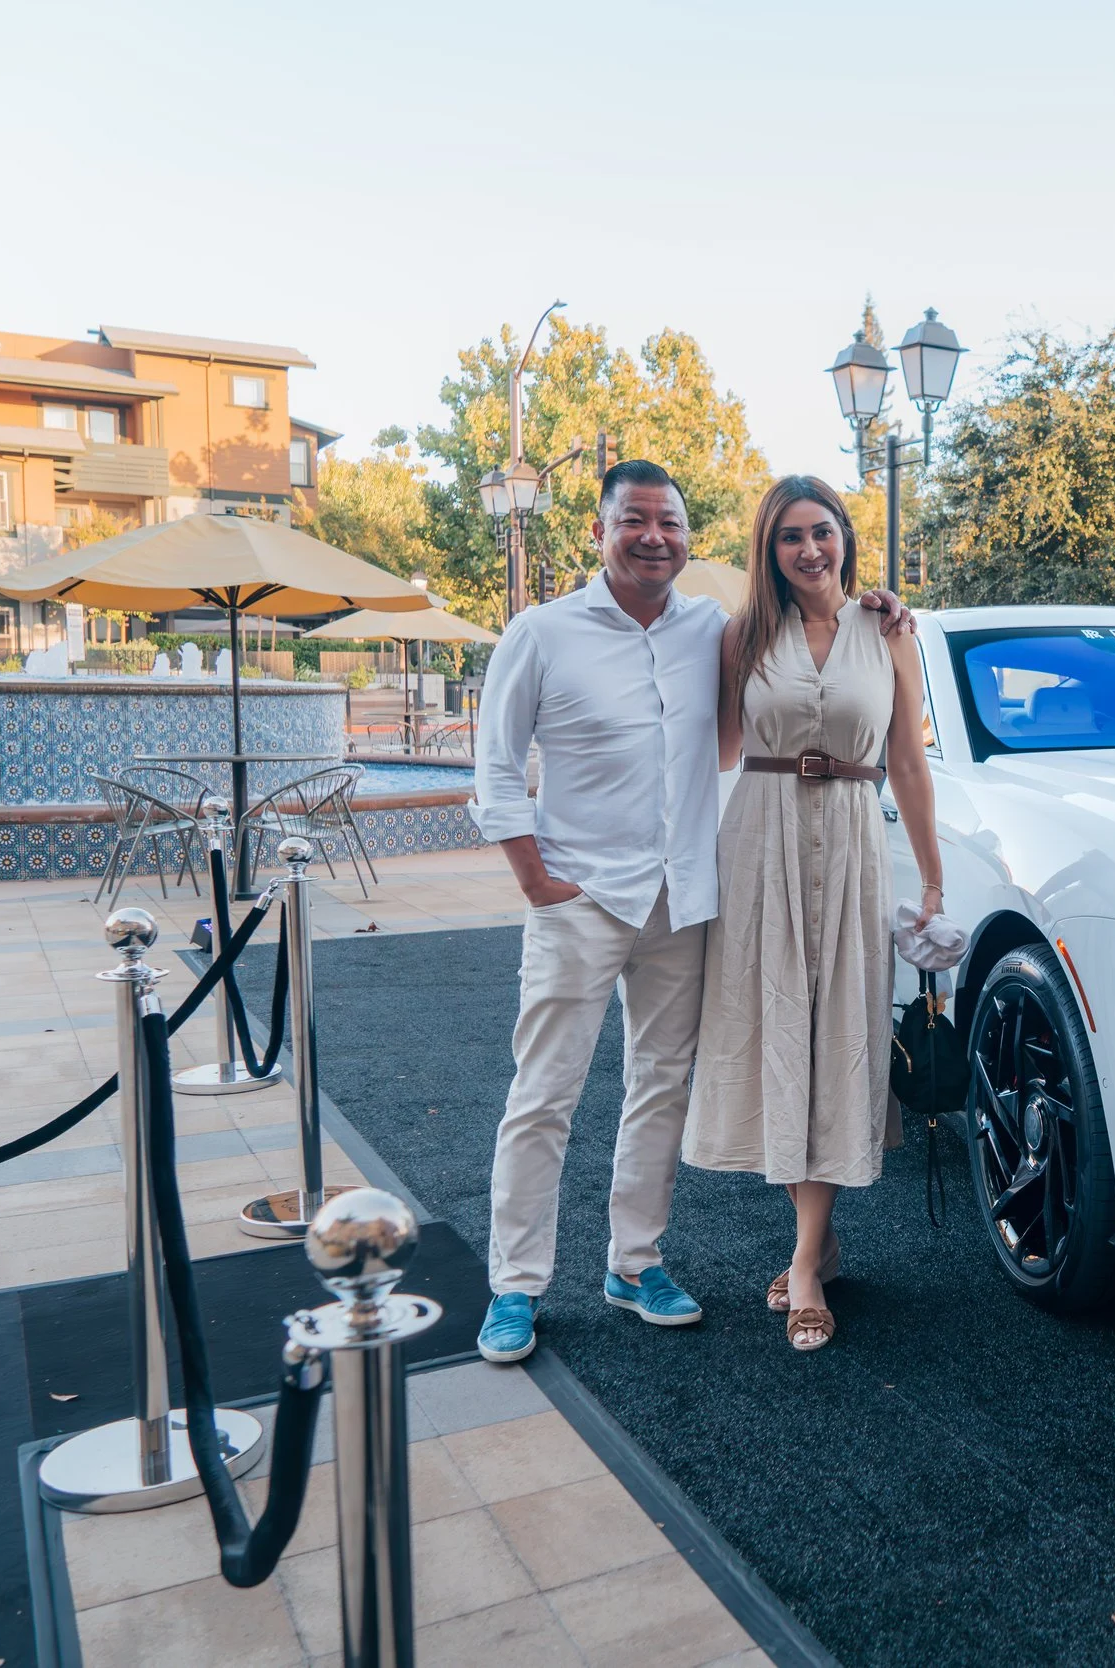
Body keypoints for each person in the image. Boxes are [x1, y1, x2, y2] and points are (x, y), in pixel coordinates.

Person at [468, 459, 907, 1364]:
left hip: (683, 895)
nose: (654, 536)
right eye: (635, 520)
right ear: (600, 531)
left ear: (689, 536)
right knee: (543, 1096)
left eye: (668, 521)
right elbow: (496, 770)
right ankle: (514, 1285)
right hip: (579, 896)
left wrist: (885, 604)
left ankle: (634, 1264)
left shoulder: (715, 628)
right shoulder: (541, 633)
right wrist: (535, 880)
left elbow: (813, 641)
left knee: (659, 1086)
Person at [684, 475, 942, 1352]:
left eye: (821, 531)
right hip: (758, 845)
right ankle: (813, 1253)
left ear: (845, 538)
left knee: (839, 1030)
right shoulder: (740, 636)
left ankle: (805, 1254)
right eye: (790, 535)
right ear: (770, 548)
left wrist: (935, 881)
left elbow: (908, 763)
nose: (808, 549)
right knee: (777, 1031)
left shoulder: (890, 631)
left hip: (853, 846)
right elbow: (708, 750)